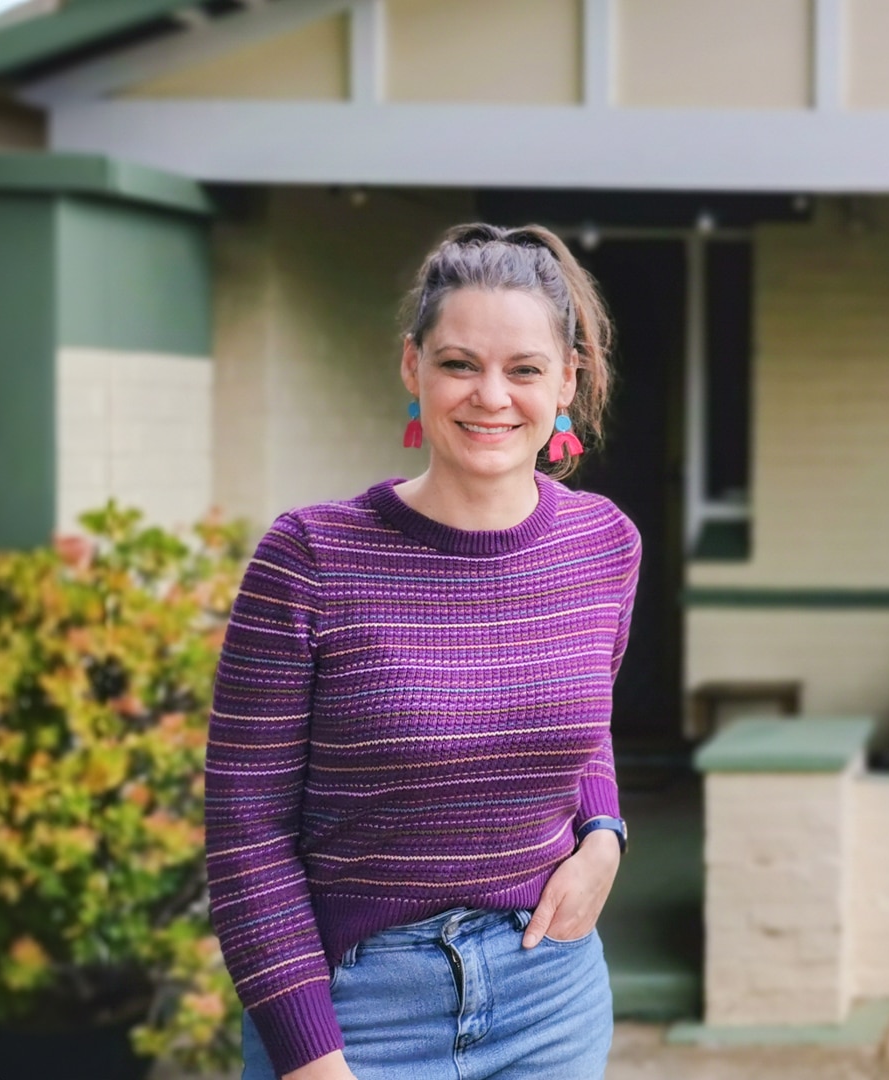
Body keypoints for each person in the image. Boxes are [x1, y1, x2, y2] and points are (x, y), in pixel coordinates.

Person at [206, 224, 641, 1080]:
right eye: (458, 364)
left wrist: (604, 836)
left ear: (566, 382)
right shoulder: (311, 558)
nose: (491, 396)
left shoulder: (604, 544)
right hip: (359, 1010)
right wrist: (310, 1056)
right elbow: (245, 830)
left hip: (549, 991)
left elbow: (581, 724)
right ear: (412, 369)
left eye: (524, 369)